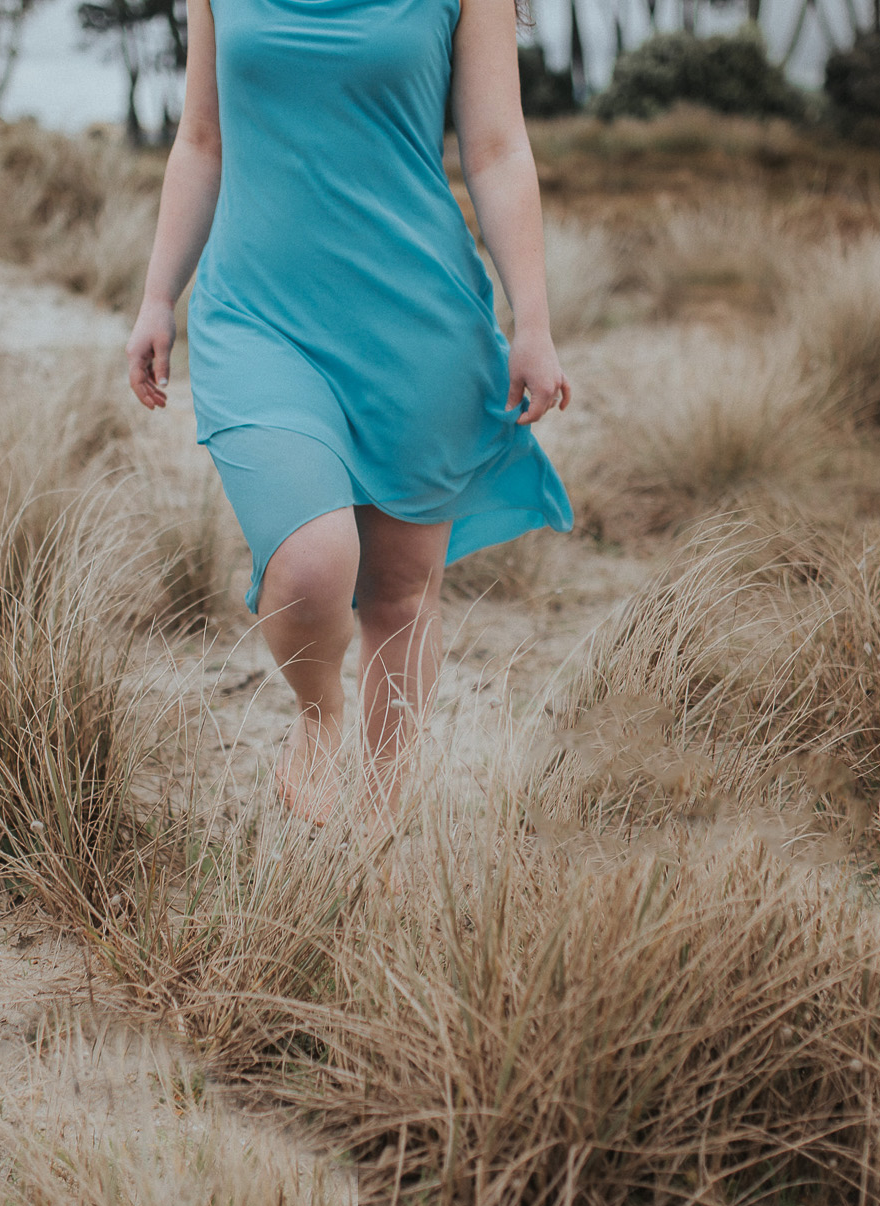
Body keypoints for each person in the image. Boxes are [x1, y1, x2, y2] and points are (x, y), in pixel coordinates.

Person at [125, 0, 575, 825]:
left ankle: (378, 823)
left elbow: (499, 150)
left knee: (401, 594)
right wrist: (159, 295)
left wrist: (533, 322)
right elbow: (200, 139)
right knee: (311, 565)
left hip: (415, 320)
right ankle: (319, 716)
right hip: (257, 314)